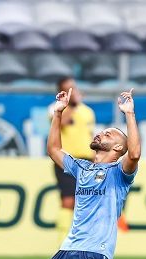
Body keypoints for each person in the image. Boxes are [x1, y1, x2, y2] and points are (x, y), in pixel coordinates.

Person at [28, 88, 143, 259]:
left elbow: (135, 154)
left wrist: (129, 113)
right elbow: (53, 149)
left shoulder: (120, 173)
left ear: (119, 148)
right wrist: (59, 113)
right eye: (102, 132)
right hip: (69, 247)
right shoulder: (81, 168)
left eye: (108, 135)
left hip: (96, 251)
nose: (100, 134)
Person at [49, 78, 95, 243]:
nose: (72, 91)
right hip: (66, 160)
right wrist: (72, 105)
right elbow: (61, 124)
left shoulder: (88, 111)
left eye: (73, 88)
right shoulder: (55, 109)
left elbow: (89, 137)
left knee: (83, 202)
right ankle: (62, 242)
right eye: (67, 89)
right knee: (68, 200)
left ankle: (81, 241)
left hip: (87, 162)